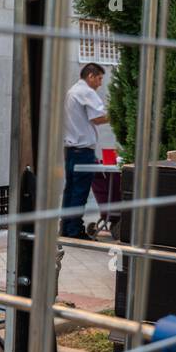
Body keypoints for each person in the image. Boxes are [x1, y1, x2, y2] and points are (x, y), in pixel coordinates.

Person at [62, 62, 110, 239]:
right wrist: (117, 114)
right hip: (83, 151)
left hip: (70, 150)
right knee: (80, 191)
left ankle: (65, 227)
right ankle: (75, 230)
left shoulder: (72, 91)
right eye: (99, 78)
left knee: (70, 190)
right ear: (90, 76)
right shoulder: (86, 92)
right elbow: (98, 118)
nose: (100, 83)